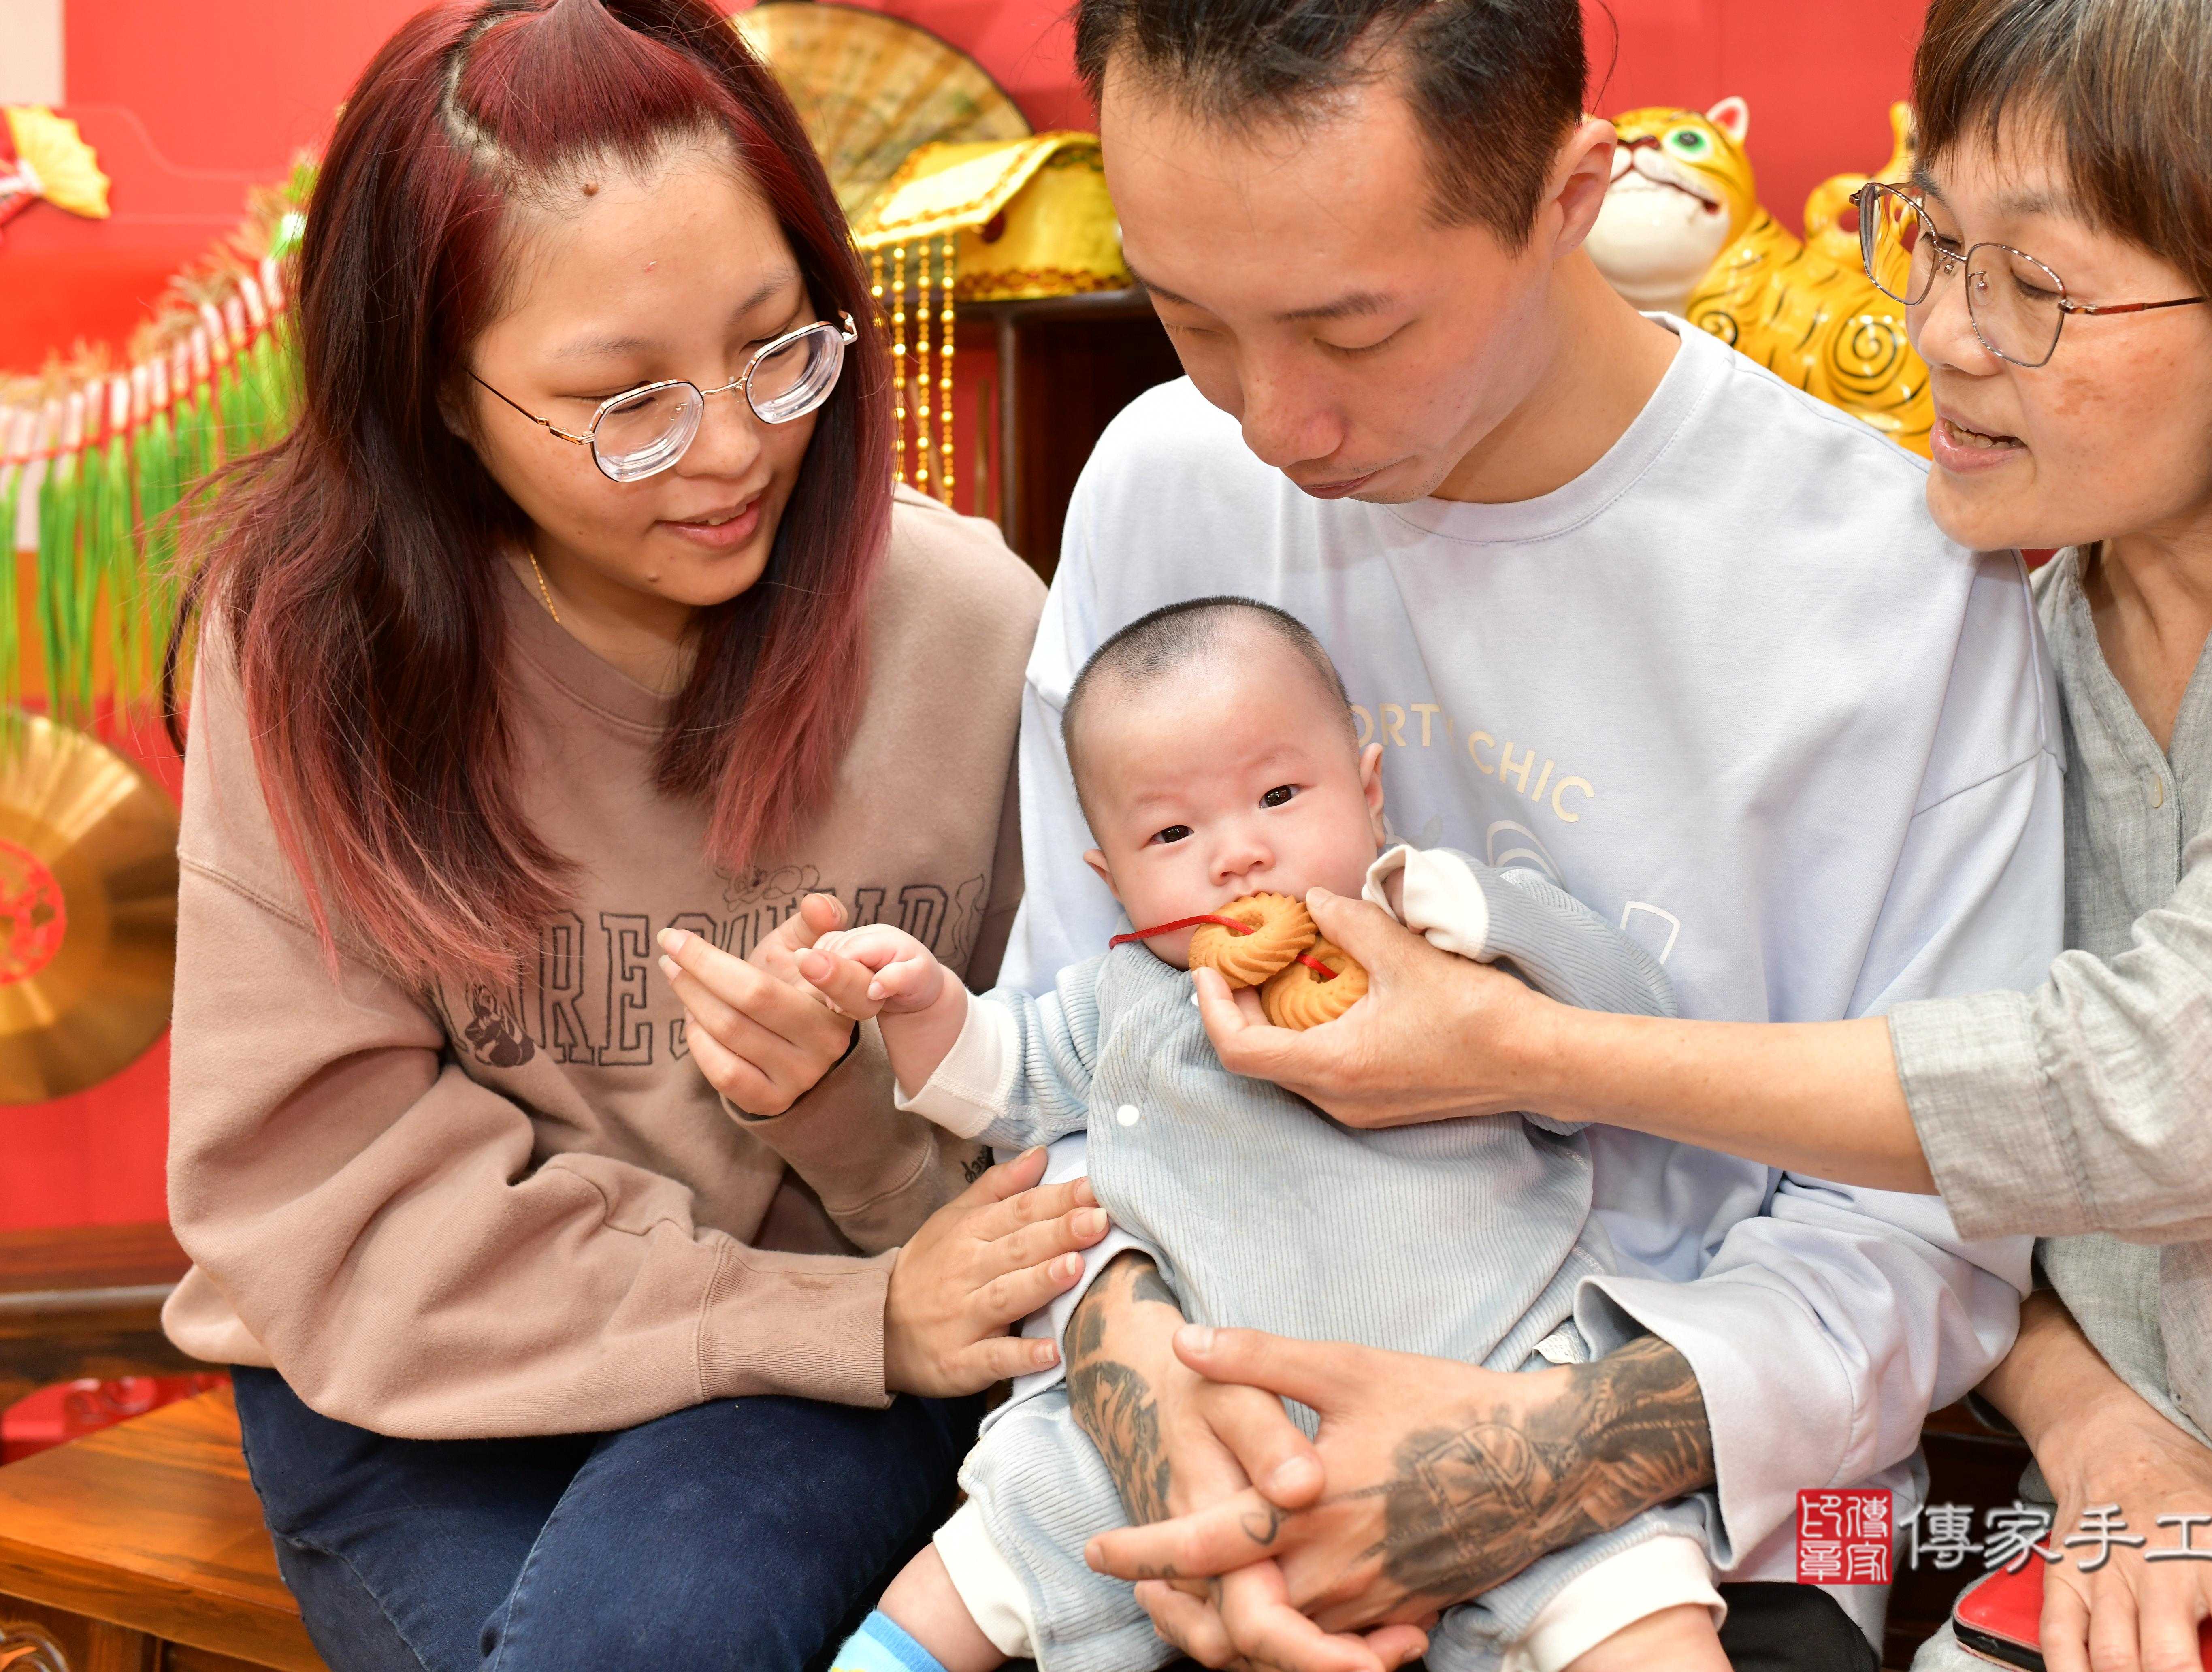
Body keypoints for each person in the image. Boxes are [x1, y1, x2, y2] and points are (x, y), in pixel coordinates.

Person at [1125, 2, 2212, 1670]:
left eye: (2036, 285)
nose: (1942, 332)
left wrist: (1525, 1049)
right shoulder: (2030, 580)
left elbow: (2160, 1089)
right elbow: (1992, 1188)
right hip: (2114, 1541)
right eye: (1932, 240)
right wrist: (2092, 1425)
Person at [992, 0, 2068, 1668]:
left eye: (1353, 330)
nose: (1273, 420)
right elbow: (1069, 1074)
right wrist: (1168, 1425)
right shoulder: (1160, 479)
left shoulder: (1884, 586)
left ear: (1574, 197)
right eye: (1189, 314)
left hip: (1692, 1557)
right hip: (1200, 1494)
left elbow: (1928, 1224)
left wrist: (1507, 1468)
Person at [158, 1, 1104, 1666]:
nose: (734, 450)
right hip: (428, 1386)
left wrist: (855, 1141)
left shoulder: (968, 629)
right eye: (627, 404)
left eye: (777, 347)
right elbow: (334, 1205)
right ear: (439, 397)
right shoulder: (315, 650)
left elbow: (1066, 1137)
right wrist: (836, 1307)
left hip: (836, 1369)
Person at [804, 597, 1709, 1672]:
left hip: (1486, 1388)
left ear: (1372, 794)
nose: (1239, 854)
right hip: (1208, 1426)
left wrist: (1485, 910)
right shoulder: (1130, 998)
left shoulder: (1448, 955)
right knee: (1002, 1532)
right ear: (1113, 878)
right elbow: (1005, 1087)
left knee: (1634, 1596)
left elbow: (1635, 1038)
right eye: (1173, 835)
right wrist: (924, 1011)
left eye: (1280, 795)